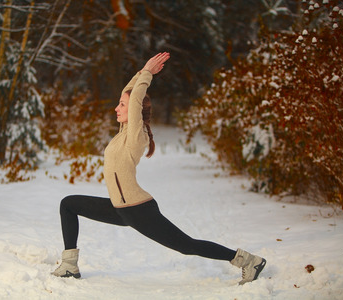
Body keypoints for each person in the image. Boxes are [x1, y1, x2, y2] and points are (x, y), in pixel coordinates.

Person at [51, 52, 266, 285]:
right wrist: (140, 72)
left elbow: (134, 99)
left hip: (137, 209)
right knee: (68, 204)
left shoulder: (136, 135)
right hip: (119, 208)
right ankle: (70, 266)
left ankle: (248, 261)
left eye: (121, 105)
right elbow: (129, 93)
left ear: (135, 110)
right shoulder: (122, 134)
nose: (116, 108)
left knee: (186, 245)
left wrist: (146, 75)